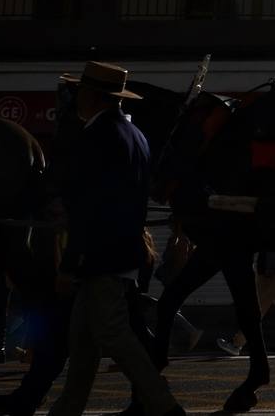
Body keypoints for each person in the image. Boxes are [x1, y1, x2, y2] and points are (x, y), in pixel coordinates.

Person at [45, 62, 184, 416]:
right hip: (122, 249)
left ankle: (165, 406)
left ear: (93, 95)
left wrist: (70, 263)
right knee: (83, 341)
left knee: (113, 334)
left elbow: (88, 207)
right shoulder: (135, 135)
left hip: (100, 255)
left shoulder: (96, 136)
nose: (76, 98)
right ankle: (66, 411)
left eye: (79, 91)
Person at [216, 250, 275, 357]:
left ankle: (237, 344)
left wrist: (269, 268)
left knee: (256, 310)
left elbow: (271, 248)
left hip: (269, 275)